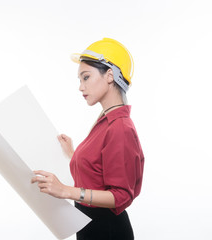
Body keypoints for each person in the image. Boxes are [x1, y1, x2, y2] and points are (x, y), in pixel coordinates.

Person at [31, 38, 145, 240]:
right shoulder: (106, 119)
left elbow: (121, 196)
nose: (80, 87)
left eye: (86, 77)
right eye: (79, 80)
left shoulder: (120, 127)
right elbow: (101, 170)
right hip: (90, 227)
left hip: (107, 231)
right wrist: (74, 154)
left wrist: (66, 191)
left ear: (109, 75)